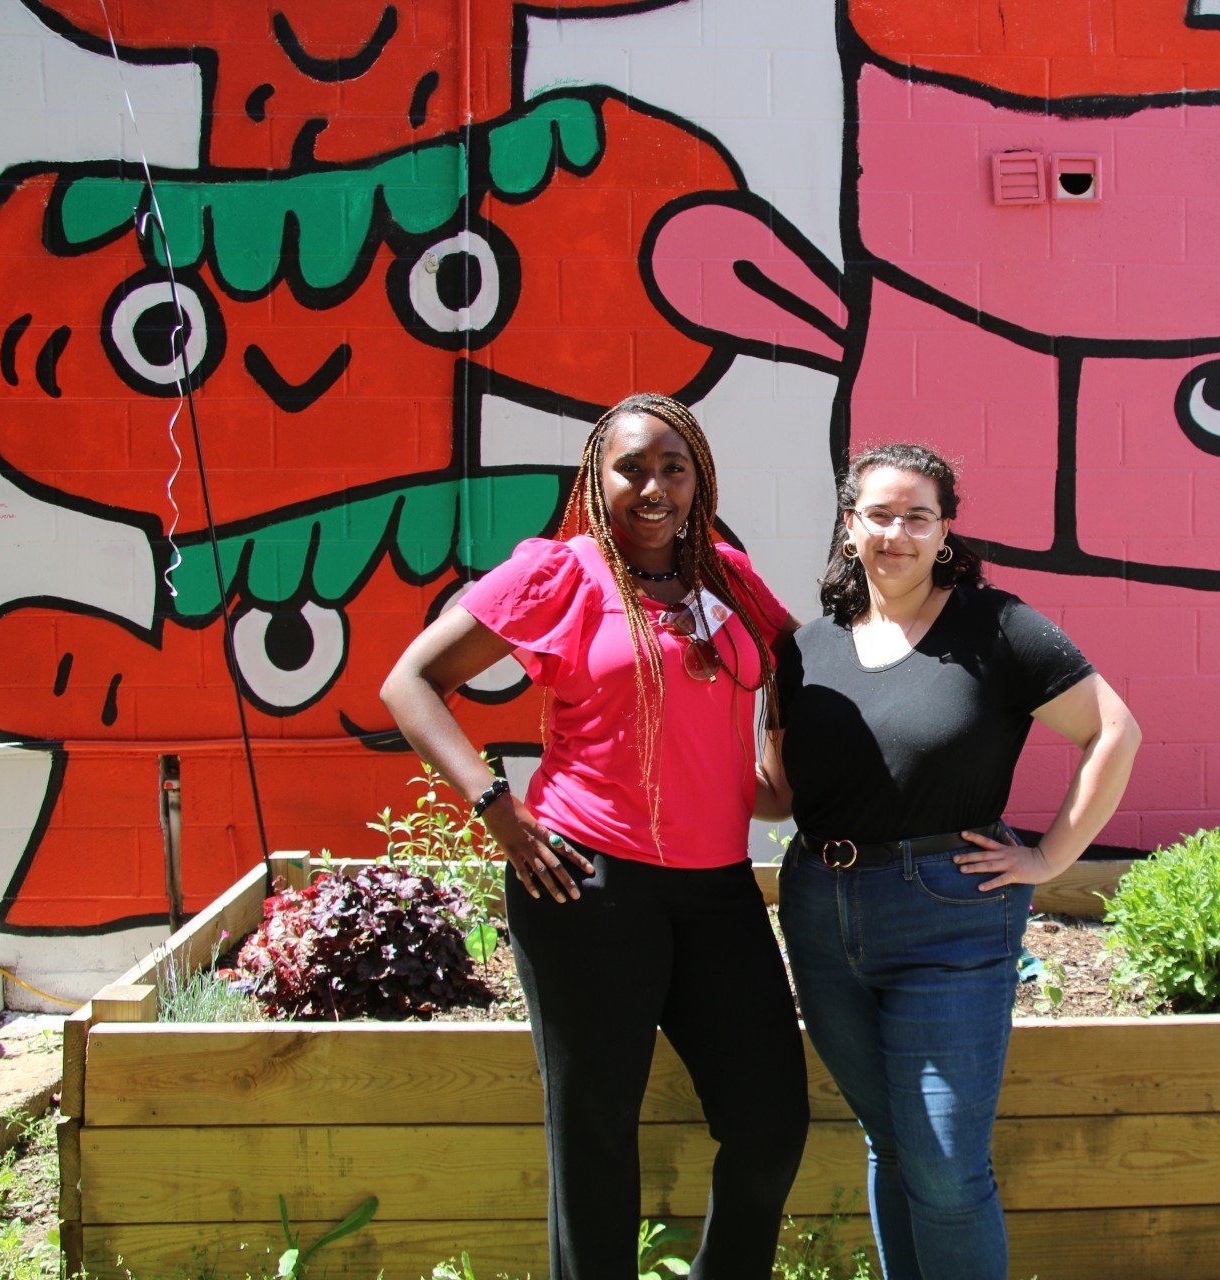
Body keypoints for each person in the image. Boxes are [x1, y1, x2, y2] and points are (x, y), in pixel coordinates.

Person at [380, 392, 808, 1280]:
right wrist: (497, 806)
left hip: (719, 888)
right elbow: (410, 682)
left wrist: (774, 775)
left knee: (770, 1124)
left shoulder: (727, 577)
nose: (653, 486)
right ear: (596, 478)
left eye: (673, 467)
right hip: (586, 884)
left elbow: (793, 662)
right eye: (632, 467)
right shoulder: (563, 573)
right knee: (596, 1134)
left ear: (699, 479)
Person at [757, 442, 1141, 1280]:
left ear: (944, 532)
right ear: (849, 524)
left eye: (917, 517)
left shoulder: (996, 626)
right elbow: (778, 796)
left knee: (942, 1160)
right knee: (892, 1143)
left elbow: (1114, 730)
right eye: (879, 514)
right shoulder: (804, 649)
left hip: (950, 918)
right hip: (822, 914)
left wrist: (1049, 857)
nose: (897, 532)